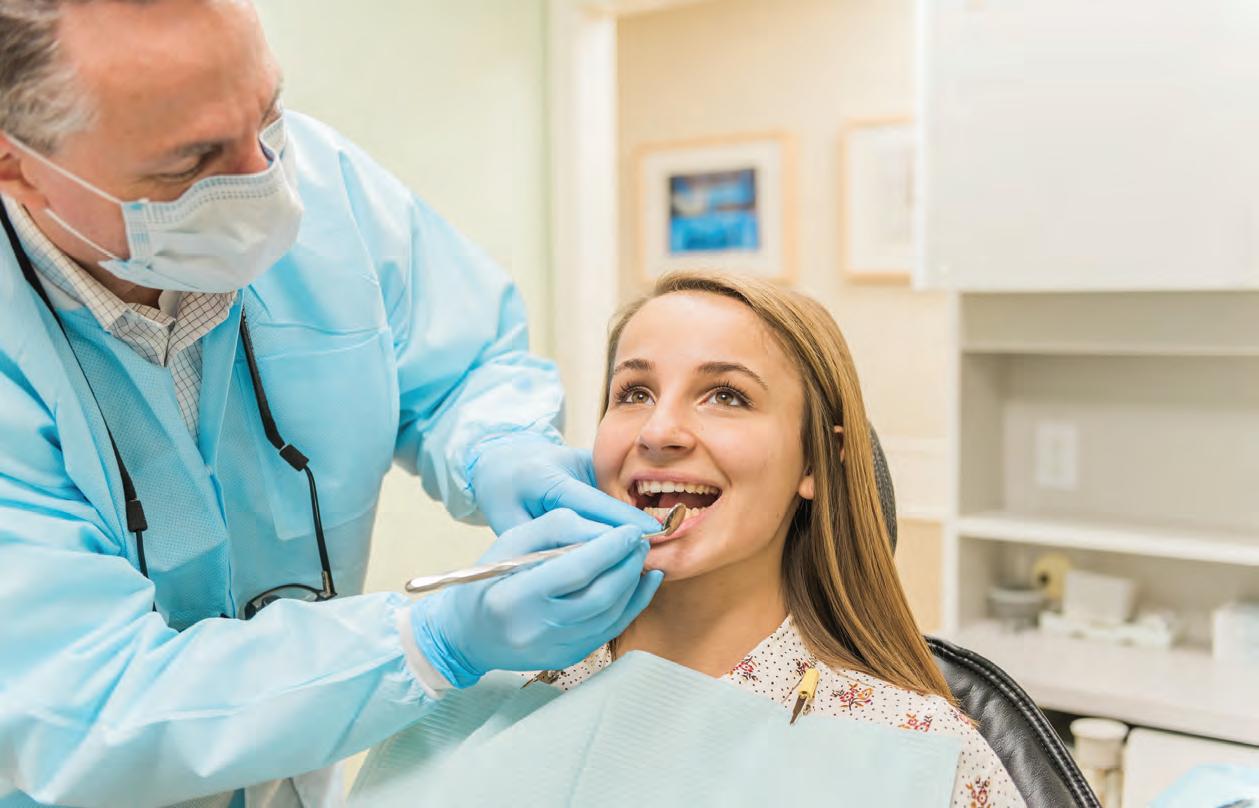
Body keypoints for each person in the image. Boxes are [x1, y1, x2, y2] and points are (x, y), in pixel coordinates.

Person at [0, 1, 663, 806]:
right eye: (192, 161)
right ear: (17, 165)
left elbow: (461, 362)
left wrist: (500, 444)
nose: (264, 182)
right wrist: (426, 642)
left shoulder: (323, 181)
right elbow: (86, 705)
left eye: (267, 113)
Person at [531, 271, 1027, 807]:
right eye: (635, 393)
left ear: (814, 459)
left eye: (726, 396)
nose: (657, 432)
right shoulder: (511, 675)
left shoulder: (922, 754)